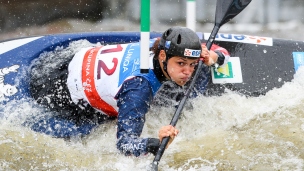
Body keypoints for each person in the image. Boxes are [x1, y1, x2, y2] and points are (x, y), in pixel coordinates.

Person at [29, 26, 230, 157]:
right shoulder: (138, 90)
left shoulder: (157, 45)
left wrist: (213, 57)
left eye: (193, 64)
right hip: (57, 93)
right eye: (181, 64)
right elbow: (125, 145)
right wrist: (154, 143)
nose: (187, 72)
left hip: (70, 58)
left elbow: (224, 52)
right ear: (162, 56)